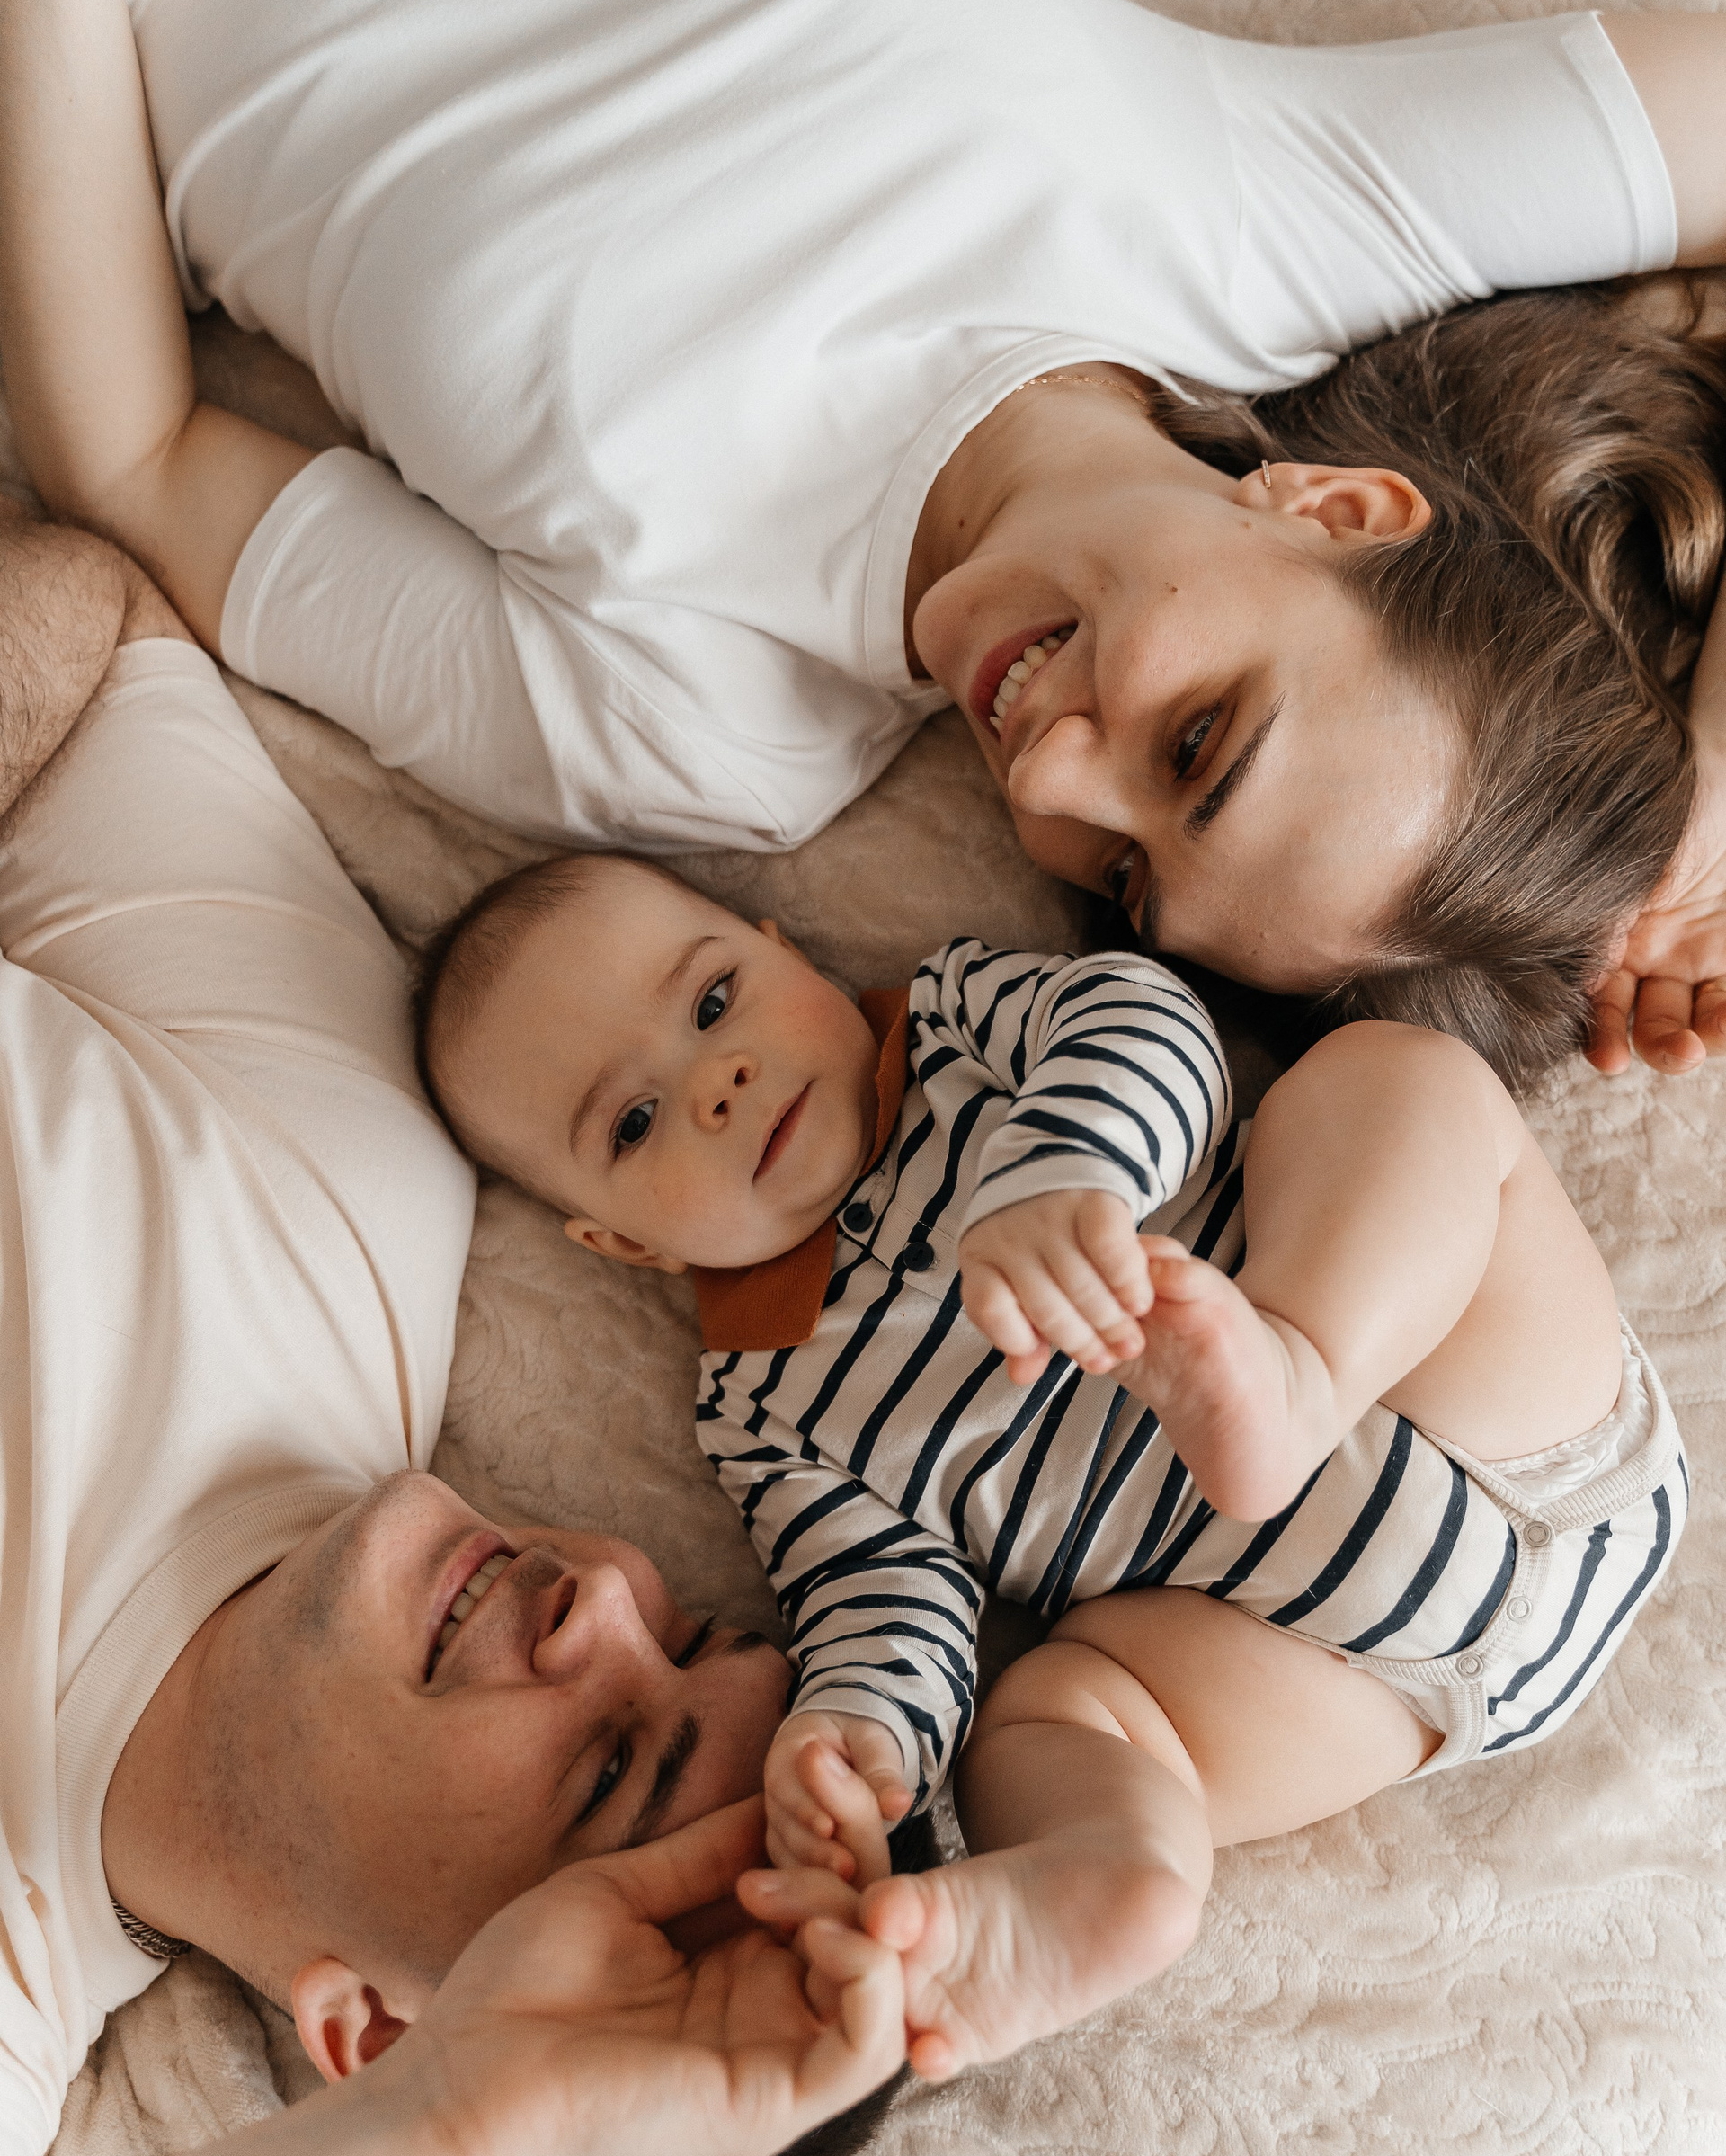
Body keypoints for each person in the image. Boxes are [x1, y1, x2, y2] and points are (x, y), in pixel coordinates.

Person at [4, 0, 1726, 1100]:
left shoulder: (701, 732)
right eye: (1198, 740)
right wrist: (1711, 788)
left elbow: (138, 464)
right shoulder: (1270, 225)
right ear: (1336, 509)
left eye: (1128, 876)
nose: (1046, 784)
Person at [0, 504, 911, 2156]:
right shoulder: (344, 1194)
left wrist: (469, 2135)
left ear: (382, 2032)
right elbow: (89, 628)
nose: (609, 1599)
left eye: (610, 1768)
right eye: (697, 1626)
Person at [412, 851, 1686, 2077]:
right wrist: (857, 1736)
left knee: (1396, 1083)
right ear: (623, 1244)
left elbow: (1155, 1029)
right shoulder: (763, 1409)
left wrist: (1065, 1171)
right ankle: (1112, 1874)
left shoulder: (957, 1022)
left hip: (1484, 1391)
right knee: (1036, 1719)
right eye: (635, 1123)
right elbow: (878, 1593)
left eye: (712, 1001)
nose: (719, 1082)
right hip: (1327, 1677)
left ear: (782, 946)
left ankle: (1294, 1367)